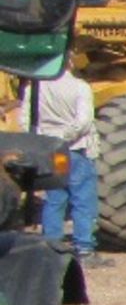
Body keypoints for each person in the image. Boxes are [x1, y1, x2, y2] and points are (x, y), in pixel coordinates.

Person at [29, 63, 112, 269]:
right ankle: (84, 248)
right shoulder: (79, 87)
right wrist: (65, 137)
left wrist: (44, 140)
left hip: (51, 152)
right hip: (75, 150)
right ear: (70, 63)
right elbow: (84, 122)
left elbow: (26, 119)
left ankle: (51, 247)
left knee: (55, 197)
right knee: (82, 199)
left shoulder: (36, 87)